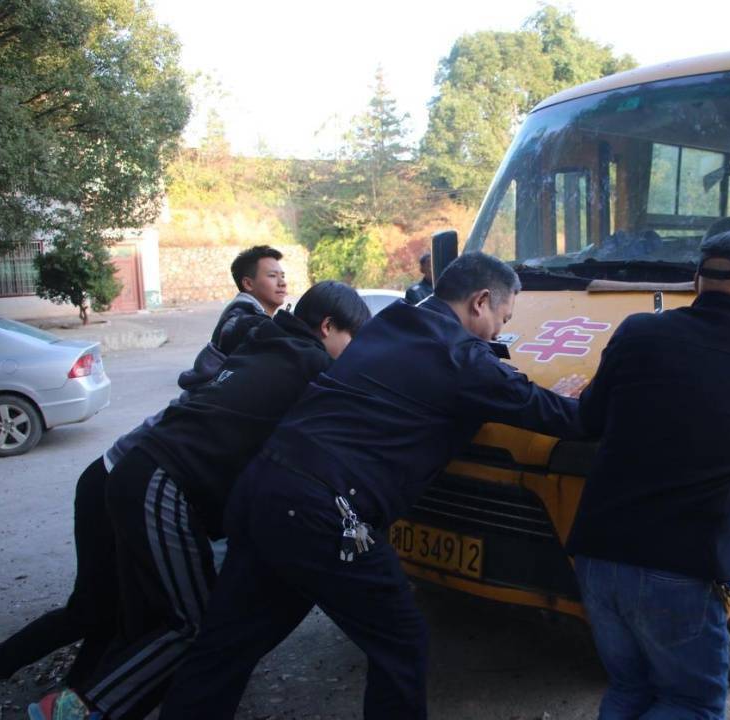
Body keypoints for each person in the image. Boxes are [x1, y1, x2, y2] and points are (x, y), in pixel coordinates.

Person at [159, 252, 586, 720]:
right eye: (502, 318)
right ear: (480, 302)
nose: (499, 331)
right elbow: (560, 417)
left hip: (263, 488)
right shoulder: (462, 358)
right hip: (326, 512)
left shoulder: (391, 323)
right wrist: (569, 396)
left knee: (227, 646)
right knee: (401, 640)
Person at [23, 282, 370, 720]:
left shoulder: (265, 343)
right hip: (162, 484)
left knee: (148, 618)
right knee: (195, 623)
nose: (352, 353)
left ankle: (92, 700)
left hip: (136, 471)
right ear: (327, 327)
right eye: (352, 339)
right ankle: (71, 709)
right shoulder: (312, 364)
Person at [0, 271, 276, 720]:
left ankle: (73, 699)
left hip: (125, 484)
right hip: (112, 484)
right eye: (272, 275)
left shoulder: (234, 383)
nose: (280, 282)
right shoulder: (228, 387)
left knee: (119, 609)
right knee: (94, 608)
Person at [567, 229, 730, 719]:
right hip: (684, 570)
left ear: (698, 282)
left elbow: (588, 419)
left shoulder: (637, 332)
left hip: (598, 554)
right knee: (691, 704)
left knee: (629, 688)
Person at [212, 245, 287, 349]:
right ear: (248, 284)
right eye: (272, 275)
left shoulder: (241, 314)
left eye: (282, 276)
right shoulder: (247, 325)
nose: (282, 283)